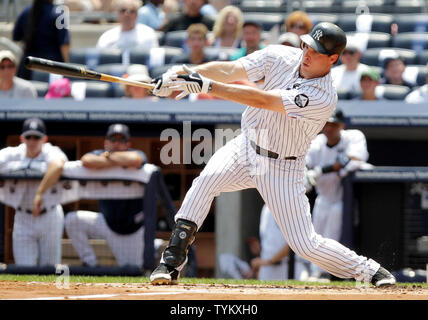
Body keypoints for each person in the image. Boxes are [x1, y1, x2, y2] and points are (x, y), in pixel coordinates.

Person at [149, 22, 396, 287]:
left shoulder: (323, 97)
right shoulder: (280, 55)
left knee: (305, 245)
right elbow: (232, 69)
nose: (307, 54)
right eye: (306, 46)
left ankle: (369, 270)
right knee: (206, 180)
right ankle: (172, 261)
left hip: (283, 167)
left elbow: (264, 100)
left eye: (316, 51)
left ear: (333, 58)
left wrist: (206, 86)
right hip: (247, 145)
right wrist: (183, 75)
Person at [64, 123, 147, 268]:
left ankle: (155, 247)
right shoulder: (98, 153)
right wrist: (113, 159)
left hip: (131, 230)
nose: (116, 144)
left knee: (133, 270)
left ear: (128, 144)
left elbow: (135, 159)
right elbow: (86, 160)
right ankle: (90, 263)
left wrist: (108, 157)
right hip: (107, 223)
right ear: (106, 142)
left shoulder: (135, 153)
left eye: (121, 140)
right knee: (72, 220)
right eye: (113, 140)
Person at [303, 108, 372, 281]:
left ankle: (327, 272)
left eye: (333, 124)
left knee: (332, 235)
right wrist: (306, 174)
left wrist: (319, 170)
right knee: (313, 236)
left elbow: (352, 159)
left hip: (343, 199)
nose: (328, 128)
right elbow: (304, 163)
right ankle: (315, 272)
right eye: (326, 124)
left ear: (342, 125)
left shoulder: (354, 137)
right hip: (323, 197)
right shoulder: (317, 142)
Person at [0, 118, 67, 266]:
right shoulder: (14, 153)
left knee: (50, 269)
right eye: (28, 137)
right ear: (22, 138)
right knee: (24, 268)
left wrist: (39, 193)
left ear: (44, 139)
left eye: (36, 137)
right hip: (23, 217)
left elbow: (57, 165)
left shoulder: (51, 151)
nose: (32, 141)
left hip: (49, 215)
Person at [219, 205, 290, 281]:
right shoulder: (266, 209)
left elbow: (291, 245)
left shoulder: (286, 207)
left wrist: (267, 262)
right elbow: (269, 242)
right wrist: (259, 254)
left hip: (283, 268)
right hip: (266, 269)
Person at [13, 0, 71, 80]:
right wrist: (67, 67)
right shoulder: (59, 12)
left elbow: (16, 36)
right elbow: (64, 44)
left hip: (28, 66)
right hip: (51, 68)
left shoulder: (26, 11)